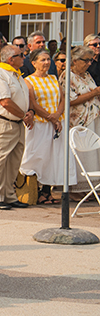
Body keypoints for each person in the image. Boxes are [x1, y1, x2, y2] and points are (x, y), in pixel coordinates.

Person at [21, 48, 74, 203]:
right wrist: (51, 118)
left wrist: (57, 116)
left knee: (54, 157)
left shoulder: (53, 78)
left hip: (57, 122)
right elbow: (33, 103)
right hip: (40, 123)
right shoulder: (28, 80)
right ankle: (34, 190)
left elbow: (62, 98)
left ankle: (47, 191)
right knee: (37, 155)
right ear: (34, 63)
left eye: (48, 59)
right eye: (42, 60)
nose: (46, 62)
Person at [0, 45, 33, 211]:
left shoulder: (17, 75)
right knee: (0, 159)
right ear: (11, 59)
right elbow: (4, 101)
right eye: (21, 55)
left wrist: (29, 112)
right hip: (3, 121)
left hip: (18, 122)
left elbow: (23, 99)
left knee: (14, 160)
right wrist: (23, 115)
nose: (24, 58)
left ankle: (9, 195)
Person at [63, 46, 100, 183]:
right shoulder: (68, 76)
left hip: (93, 118)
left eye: (90, 60)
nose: (89, 64)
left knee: (93, 154)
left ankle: (93, 185)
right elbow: (70, 100)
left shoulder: (87, 75)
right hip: (79, 121)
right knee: (82, 154)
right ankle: (79, 186)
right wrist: (94, 93)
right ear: (75, 60)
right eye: (86, 61)